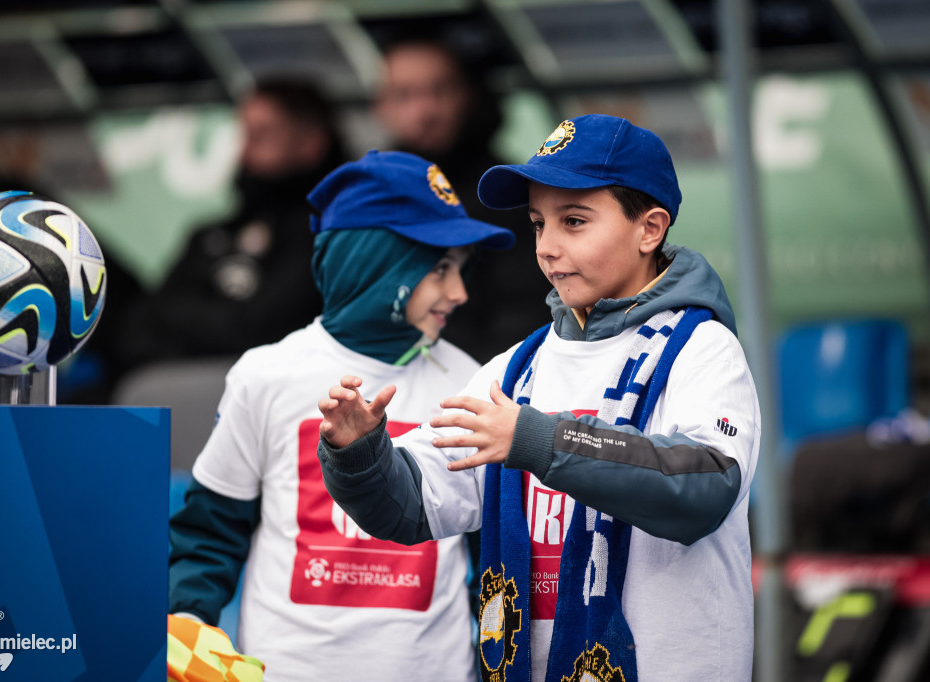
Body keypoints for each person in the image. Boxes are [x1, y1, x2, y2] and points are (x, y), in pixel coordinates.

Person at [317, 115, 761, 681]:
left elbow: (704, 487)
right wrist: (358, 452)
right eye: (536, 225)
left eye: (573, 222)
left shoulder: (702, 348)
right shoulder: (517, 366)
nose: (548, 248)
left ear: (650, 229)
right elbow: (412, 505)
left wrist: (537, 439)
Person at [168, 150, 516, 681]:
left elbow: (489, 556)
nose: (460, 292)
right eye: (441, 268)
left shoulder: (472, 382)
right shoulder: (266, 376)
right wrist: (186, 623)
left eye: (462, 269)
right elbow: (210, 531)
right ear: (374, 265)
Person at [119, 77, 346, 366]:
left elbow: (264, 330)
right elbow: (138, 325)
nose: (244, 152)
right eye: (244, 135)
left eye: (261, 135)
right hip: (183, 388)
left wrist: (181, 317)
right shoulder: (210, 234)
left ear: (310, 142)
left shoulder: (334, 233)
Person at [374, 37, 549, 362]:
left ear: (467, 96)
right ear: (380, 107)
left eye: (440, 91)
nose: (425, 110)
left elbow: (523, 316)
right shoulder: (367, 194)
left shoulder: (504, 194)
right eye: (405, 95)